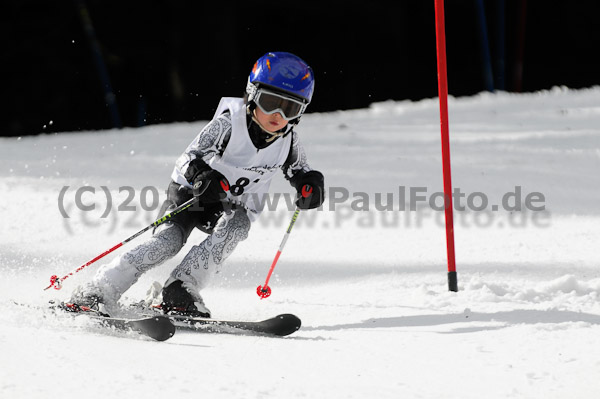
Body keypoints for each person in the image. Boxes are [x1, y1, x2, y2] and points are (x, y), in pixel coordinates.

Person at [69, 51, 325, 317]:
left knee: (238, 225)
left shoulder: (289, 141)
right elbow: (189, 158)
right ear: (252, 95)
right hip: (190, 195)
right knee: (168, 242)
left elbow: (300, 170)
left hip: (229, 206)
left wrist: (310, 183)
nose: (277, 115)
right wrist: (202, 174)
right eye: (270, 102)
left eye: (290, 108)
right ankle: (99, 290)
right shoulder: (229, 124)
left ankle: (180, 289)